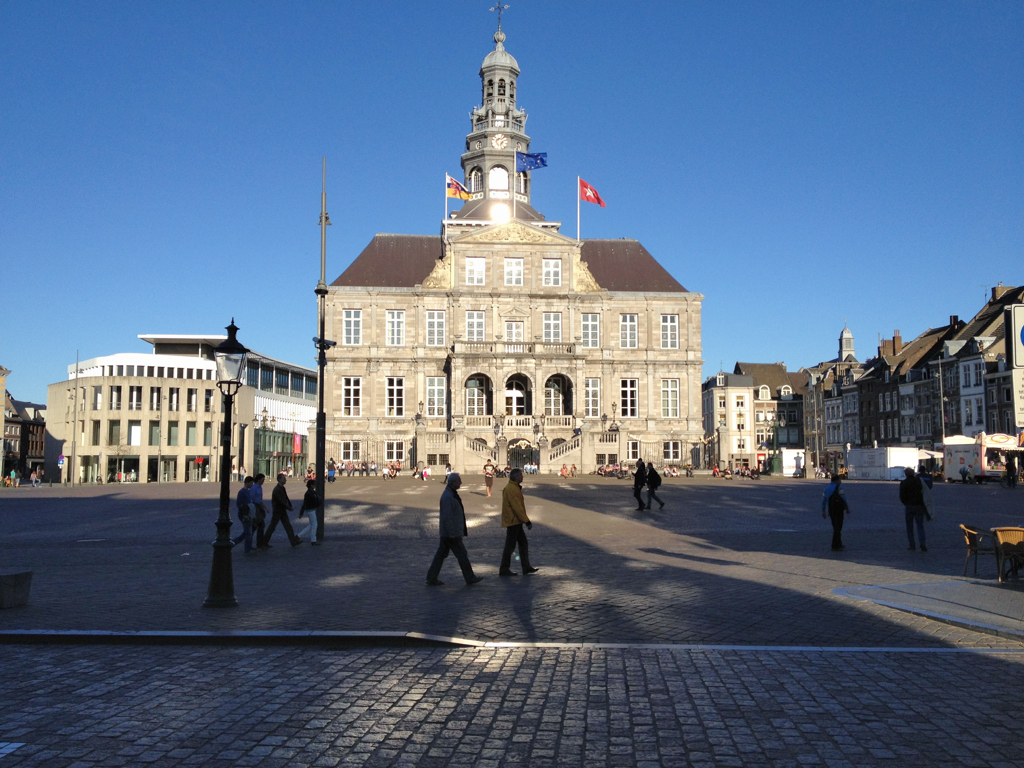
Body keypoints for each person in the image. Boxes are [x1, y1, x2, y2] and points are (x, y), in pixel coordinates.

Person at [425, 473, 482, 586]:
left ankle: (431, 577)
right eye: (459, 481)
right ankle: (469, 577)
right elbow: (448, 517)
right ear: (453, 483)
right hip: (451, 534)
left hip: (449, 533)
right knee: (462, 555)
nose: (461, 483)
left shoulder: (451, 494)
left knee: (441, 555)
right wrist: (452, 533)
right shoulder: (448, 497)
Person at [499, 468, 538, 576]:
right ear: (516, 477)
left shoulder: (513, 487)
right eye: (521, 475)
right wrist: (527, 521)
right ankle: (504, 568)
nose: (522, 476)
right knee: (510, 546)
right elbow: (517, 508)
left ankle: (525, 567)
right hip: (513, 521)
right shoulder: (513, 489)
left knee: (522, 543)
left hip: (514, 520)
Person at [266, 472, 302, 547]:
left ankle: (293, 541)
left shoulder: (281, 488)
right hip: (278, 510)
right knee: (273, 526)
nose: (285, 480)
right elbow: (281, 500)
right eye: (284, 478)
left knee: (287, 526)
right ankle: (264, 541)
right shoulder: (277, 489)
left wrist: (289, 505)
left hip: (281, 510)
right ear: (279, 480)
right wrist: (288, 507)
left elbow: (285, 498)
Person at [900, 466, 929, 552]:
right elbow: (924, 492)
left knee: (909, 527)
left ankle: (912, 544)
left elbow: (902, 496)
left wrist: (906, 503)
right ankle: (922, 543)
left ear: (905, 474)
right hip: (919, 505)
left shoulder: (904, 483)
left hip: (909, 506)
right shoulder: (918, 481)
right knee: (920, 526)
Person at [820, 473, 849, 551]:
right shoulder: (839, 487)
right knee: (838, 527)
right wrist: (847, 508)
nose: (841, 482)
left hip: (831, 509)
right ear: (836, 480)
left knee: (835, 526)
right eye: (840, 480)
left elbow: (823, 501)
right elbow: (844, 498)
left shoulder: (826, 489)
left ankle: (838, 543)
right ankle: (835, 544)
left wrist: (823, 511)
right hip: (839, 509)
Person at [232, 476, 255, 553]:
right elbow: (239, 504)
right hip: (244, 514)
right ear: (247, 483)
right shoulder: (242, 492)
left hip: (248, 514)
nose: (252, 485)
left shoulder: (247, 491)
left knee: (247, 532)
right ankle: (245, 548)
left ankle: (247, 546)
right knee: (247, 532)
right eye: (251, 483)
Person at [296, 479, 320, 545]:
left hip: (311, 509)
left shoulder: (311, 492)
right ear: (311, 485)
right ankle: (313, 540)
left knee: (311, 525)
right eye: (314, 484)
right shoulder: (309, 493)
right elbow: (304, 503)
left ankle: (298, 536)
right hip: (310, 510)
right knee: (314, 525)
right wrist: (301, 513)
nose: (315, 486)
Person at [251, 474, 270, 549]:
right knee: (257, 525)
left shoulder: (259, 487)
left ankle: (259, 543)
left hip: (259, 507)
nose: (263, 481)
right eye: (262, 480)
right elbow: (252, 498)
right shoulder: (254, 488)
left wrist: (265, 507)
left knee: (260, 525)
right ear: (258, 480)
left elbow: (260, 499)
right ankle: (258, 543)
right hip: (255, 506)